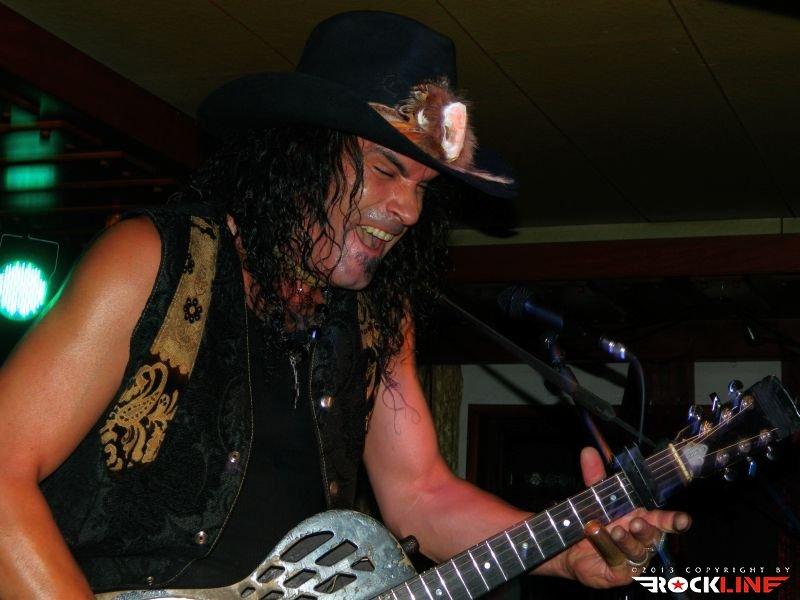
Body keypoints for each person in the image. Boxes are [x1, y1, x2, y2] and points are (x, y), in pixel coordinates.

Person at [0, 11, 690, 598]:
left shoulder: (377, 319)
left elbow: (419, 493)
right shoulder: (153, 260)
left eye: (423, 186)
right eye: (387, 170)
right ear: (302, 156)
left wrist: (566, 551)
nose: (409, 209)